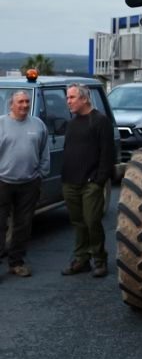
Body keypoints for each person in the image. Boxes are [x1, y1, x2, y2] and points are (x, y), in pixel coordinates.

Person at [61, 84, 115, 278]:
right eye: (68, 98)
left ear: (84, 99)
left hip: (91, 183)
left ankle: (99, 260)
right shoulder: (72, 123)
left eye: (72, 97)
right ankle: (81, 259)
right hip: (70, 182)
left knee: (92, 221)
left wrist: (99, 180)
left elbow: (107, 154)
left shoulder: (100, 121)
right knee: (78, 223)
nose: (68, 101)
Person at [0, 91, 50, 277]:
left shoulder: (38, 125)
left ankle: (16, 262)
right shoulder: (1, 124)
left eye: (27, 101)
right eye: (20, 102)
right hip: (3, 182)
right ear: (11, 105)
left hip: (29, 183)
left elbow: (45, 151)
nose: (24, 105)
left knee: (23, 225)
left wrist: (41, 174)